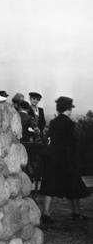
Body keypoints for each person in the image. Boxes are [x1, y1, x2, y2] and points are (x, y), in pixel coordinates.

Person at [40, 96, 90, 224]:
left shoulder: (53, 122)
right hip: (67, 160)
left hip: (53, 159)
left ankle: (46, 214)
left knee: (49, 186)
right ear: (69, 109)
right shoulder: (70, 124)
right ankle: (76, 213)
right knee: (75, 186)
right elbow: (73, 143)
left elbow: (50, 140)